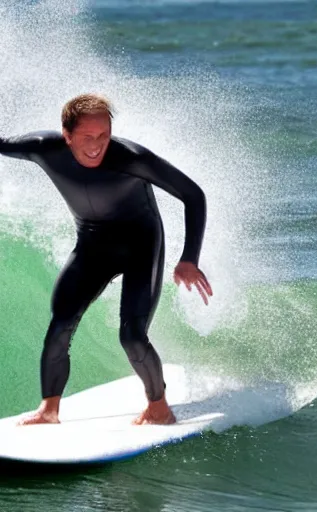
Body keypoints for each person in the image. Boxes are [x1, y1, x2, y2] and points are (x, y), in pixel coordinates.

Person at [0, 93, 213, 426]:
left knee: (131, 335)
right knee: (59, 327)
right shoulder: (45, 148)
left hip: (141, 247)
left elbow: (193, 195)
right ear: (67, 134)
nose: (98, 144)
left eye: (104, 135)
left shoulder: (131, 158)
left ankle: (158, 406)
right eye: (88, 137)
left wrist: (189, 258)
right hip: (92, 246)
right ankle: (49, 409)